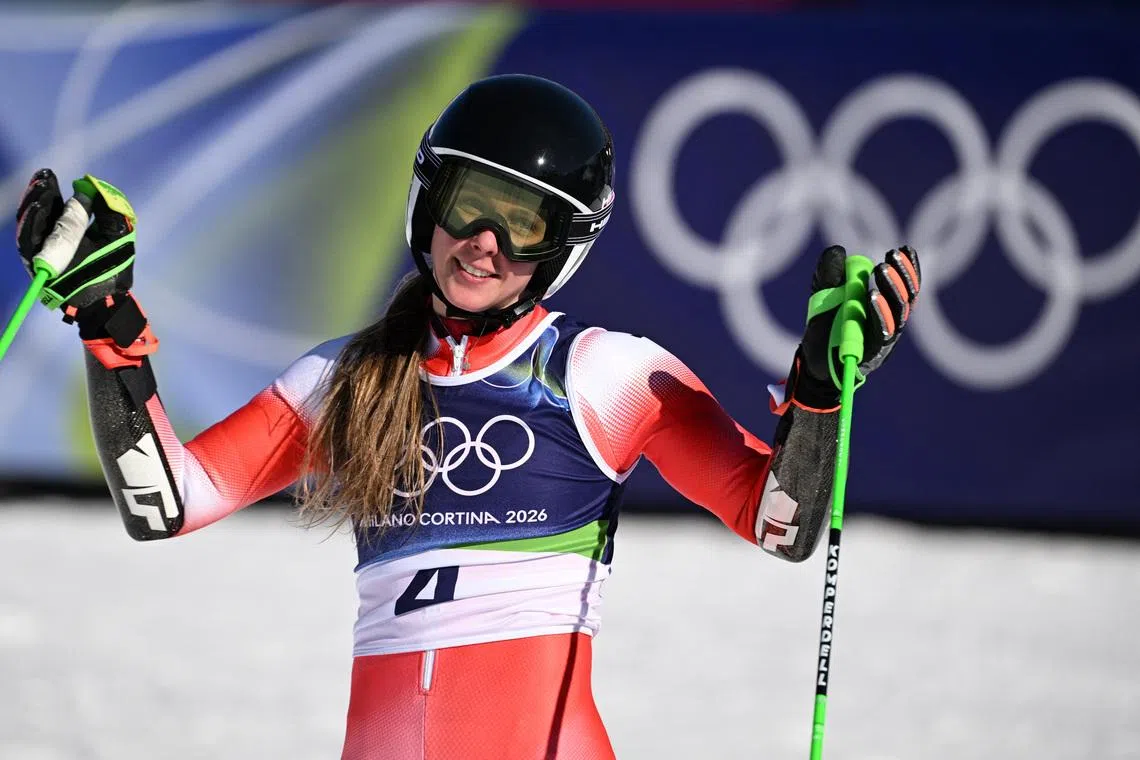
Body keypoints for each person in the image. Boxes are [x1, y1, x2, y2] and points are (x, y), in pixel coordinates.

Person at [15, 73, 921, 759]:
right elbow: (164, 502)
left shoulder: (605, 375)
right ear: (428, 202)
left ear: (560, 249)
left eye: (521, 224)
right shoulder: (348, 377)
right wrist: (106, 324)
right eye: (467, 205)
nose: (482, 242)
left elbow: (781, 525)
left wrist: (818, 397)